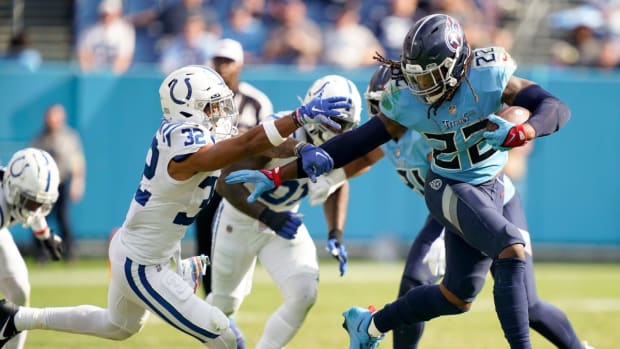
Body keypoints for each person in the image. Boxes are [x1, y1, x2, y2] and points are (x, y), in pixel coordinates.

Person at [224, 14, 583, 349]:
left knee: (457, 297)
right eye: (416, 76)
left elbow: (553, 105)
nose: (421, 85)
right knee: (510, 248)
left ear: (457, 64)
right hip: (449, 186)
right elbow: (355, 145)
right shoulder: (407, 102)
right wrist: (279, 173)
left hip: (496, 187)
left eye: (429, 76)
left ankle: (370, 324)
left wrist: (525, 130)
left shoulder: (489, 74)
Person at [0, 64, 349, 349]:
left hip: (145, 252)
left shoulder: (194, 132)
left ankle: (14, 318)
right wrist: (299, 117)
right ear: (190, 107)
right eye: (213, 106)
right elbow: (248, 142)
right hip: (143, 264)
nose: (221, 113)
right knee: (225, 337)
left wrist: (300, 149)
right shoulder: (183, 141)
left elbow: (257, 143)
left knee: (117, 327)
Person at [362, 65, 592, 349]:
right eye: (376, 105)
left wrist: (518, 131)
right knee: (431, 287)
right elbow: (359, 157)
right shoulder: (388, 139)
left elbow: (513, 116)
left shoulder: (426, 130)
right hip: (452, 208)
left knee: (527, 303)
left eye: (387, 105)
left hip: (489, 202)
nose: (383, 115)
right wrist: (328, 175)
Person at [208, 74, 361, 349]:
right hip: (240, 219)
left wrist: (335, 232)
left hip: (285, 221)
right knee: (223, 306)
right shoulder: (278, 129)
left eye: (345, 125)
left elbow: (338, 183)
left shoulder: (339, 144)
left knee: (303, 293)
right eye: (335, 122)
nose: (339, 132)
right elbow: (225, 183)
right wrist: (268, 216)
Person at [194, 38, 275, 296]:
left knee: (235, 245)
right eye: (218, 60)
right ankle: (209, 298)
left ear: (239, 64)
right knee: (205, 242)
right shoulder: (200, 101)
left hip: (241, 183)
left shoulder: (256, 101)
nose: (222, 67)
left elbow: (270, 146)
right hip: (208, 181)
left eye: (227, 61)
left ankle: (229, 296)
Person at [0, 148, 64, 349]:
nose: (33, 210)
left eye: (41, 204)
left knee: (19, 291)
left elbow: (34, 215)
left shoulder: (14, 189)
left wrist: (46, 237)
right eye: (31, 202)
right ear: (12, 189)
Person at [30, 103, 86, 261]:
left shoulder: (70, 136)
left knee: (63, 219)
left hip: (61, 183)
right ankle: (41, 254)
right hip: (42, 186)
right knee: (39, 218)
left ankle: (69, 253)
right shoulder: (39, 137)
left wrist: (77, 182)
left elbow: (77, 161)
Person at [76, 0, 135, 74]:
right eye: (104, 14)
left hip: (115, 78)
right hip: (94, 75)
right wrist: (90, 74)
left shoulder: (125, 32)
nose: (107, 17)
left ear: (118, 12)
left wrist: (112, 76)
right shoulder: (90, 32)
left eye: (109, 14)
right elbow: (84, 55)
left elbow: (124, 59)